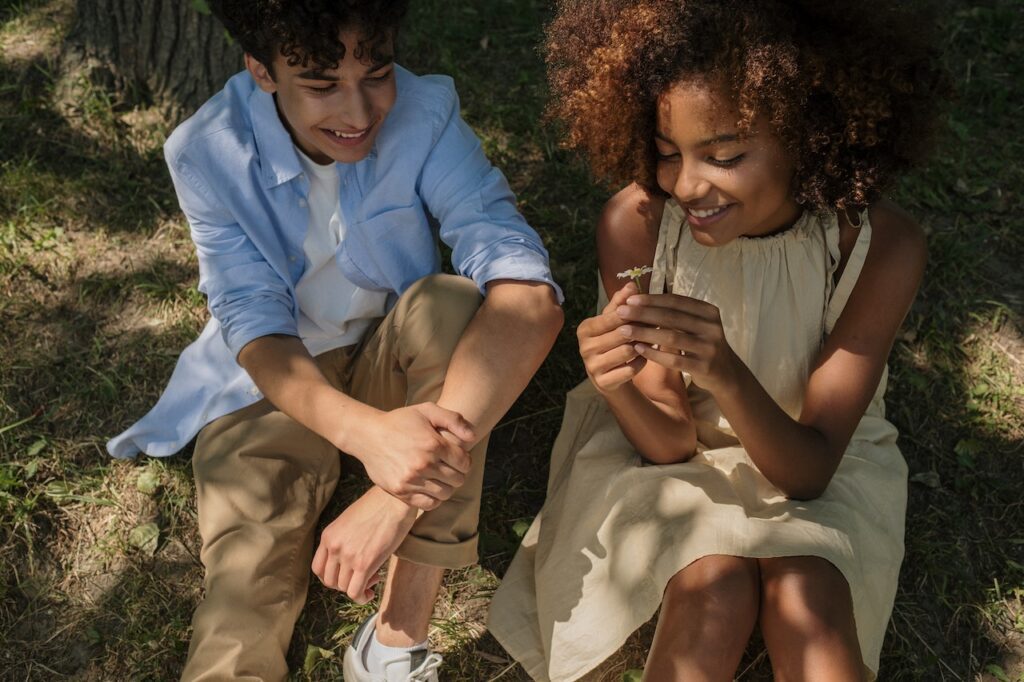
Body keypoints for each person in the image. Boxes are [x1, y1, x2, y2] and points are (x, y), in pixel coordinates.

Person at [488, 0, 948, 680]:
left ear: (811, 133)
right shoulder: (638, 225)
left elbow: (811, 471)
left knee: (808, 595)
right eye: (669, 153)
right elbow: (670, 442)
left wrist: (727, 370)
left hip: (821, 458)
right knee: (715, 588)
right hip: (671, 467)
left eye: (725, 154)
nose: (688, 184)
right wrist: (617, 386)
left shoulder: (878, 247)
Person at [106, 1, 564, 680]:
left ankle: (394, 641)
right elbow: (255, 325)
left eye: (375, 73)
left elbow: (527, 292)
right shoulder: (205, 151)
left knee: (451, 305)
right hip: (271, 385)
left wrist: (400, 495)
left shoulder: (427, 112)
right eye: (321, 86)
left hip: (393, 352)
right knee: (247, 570)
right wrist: (369, 439)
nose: (358, 110)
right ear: (261, 70)